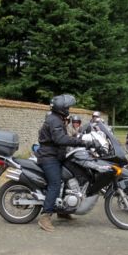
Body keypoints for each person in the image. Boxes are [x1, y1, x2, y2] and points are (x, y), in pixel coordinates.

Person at [36, 94, 91, 232]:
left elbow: (64, 137)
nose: (69, 109)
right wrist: (82, 142)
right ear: (62, 108)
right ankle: (45, 217)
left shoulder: (57, 119)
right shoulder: (54, 120)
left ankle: (63, 210)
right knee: (55, 183)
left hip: (57, 155)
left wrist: (80, 139)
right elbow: (60, 139)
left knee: (70, 175)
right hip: (49, 157)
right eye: (67, 107)